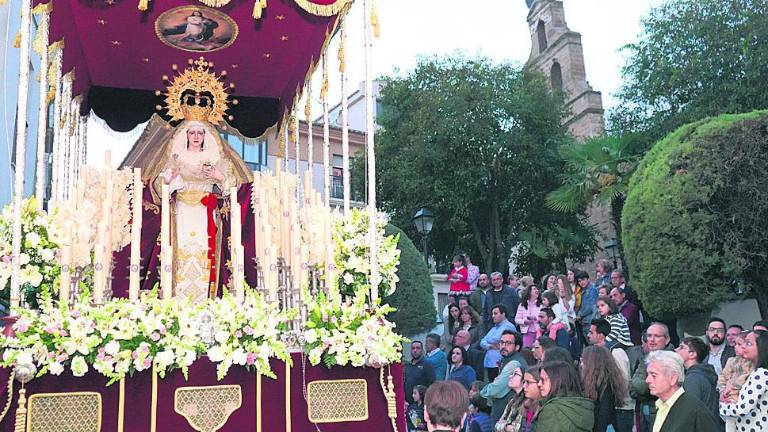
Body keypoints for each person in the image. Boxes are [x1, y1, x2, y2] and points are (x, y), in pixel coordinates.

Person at [150, 120, 248, 302]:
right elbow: (158, 185)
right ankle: (178, 297)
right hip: (182, 211)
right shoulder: (175, 158)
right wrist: (169, 180)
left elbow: (232, 185)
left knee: (204, 247)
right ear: (186, 135)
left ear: (205, 136)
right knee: (181, 248)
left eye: (200, 133)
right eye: (192, 132)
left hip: (205, 211)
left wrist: (219, 177)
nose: (196, 137)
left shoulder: (216, 158)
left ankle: (205, 297)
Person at [646, 351, 721, 432]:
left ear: (673, 379)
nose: (647, 380)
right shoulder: (660, 405)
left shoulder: (695, 410)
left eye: (654, 375)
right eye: (648, 375)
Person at [588, 319, 634, 432]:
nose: (588, 335)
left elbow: (623, 381)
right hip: (605, 407)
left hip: (620, 409)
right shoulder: (595, 352)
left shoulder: (616, 351)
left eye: (591, 332)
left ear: (600, 335)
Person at [719, 331, 768, 432]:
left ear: (762, 347)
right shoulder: (758, 372)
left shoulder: (761, 374)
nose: (743, 347)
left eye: (748, 343)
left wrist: (722, 406)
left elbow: (742, 409)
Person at [631, 323, 674, 432]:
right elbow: (633, 387)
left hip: (662, 414)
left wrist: (643, 389)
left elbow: (643, 387)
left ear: (667, 339)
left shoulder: (671, 360)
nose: (652, 340)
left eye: (657, 336)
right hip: (645, 412)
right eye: (649, 336)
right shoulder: (646, 357)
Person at [480, 331, 529, 424]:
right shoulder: (506, 361)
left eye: (508, 343)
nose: (503, 346)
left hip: (506, 415)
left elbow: (495, 390)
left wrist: (481, 391)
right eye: (502, 342)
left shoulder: (514, 364)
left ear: (517, 347)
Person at [532, 360, 594, 432]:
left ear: (557, 380)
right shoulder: (582, 404)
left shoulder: (551, 409)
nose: (539, 384)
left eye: (543, 380)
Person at [674, 337, 722, 428]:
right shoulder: (703, 373)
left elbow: (690, 412)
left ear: (692, 354)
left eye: (681, 347)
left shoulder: (693, 379)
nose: (676, 350)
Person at [581, 345, 629, 432]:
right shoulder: (592, 382)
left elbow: (604, 414)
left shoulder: (606, 385)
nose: (582, 364)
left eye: (584, 360)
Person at [480, 305, 518, 381]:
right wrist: (490, 346)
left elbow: (497, 338)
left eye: (495, 313)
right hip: (490, 362)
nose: (493, 316)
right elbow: (482, 342)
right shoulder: (494, 328)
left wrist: (489, 341)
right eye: (492, 314)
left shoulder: (509, 326)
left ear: (503, 314)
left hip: (500, 362)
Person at [494, 366, 526, 432]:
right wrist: (506, 427)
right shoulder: (512, 401)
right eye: (512, 373)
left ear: (524, 381)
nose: (510, 376)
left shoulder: (527, 403)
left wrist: (504, 426)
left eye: (515, 374)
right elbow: (496, 425)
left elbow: (516, 429)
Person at [575, 271, 599, 351]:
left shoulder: (592, 289)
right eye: (579, 281)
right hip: (584, 322)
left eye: (583, 279)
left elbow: (591, 306)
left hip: (590, 320)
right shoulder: (581, 291)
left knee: (593, 345)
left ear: (588, 279)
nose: (581, 282)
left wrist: (580, 315)